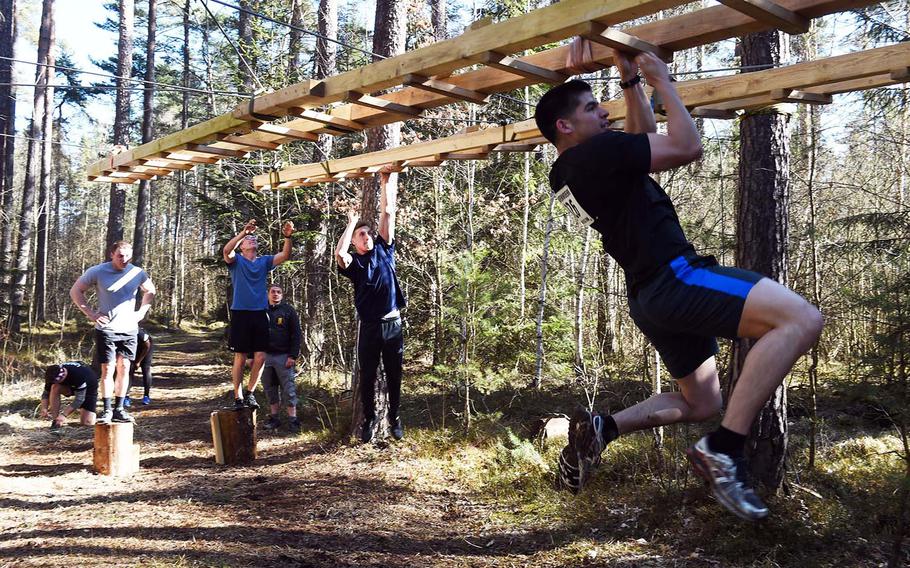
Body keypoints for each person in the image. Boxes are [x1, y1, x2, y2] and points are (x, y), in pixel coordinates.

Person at [533, 49, 823, 520]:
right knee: (801, 319)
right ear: (565, 127)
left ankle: (604, 428)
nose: (603, 112)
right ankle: (725, 449)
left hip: (648, 295)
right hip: (676, 276)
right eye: (591, 108)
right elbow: (685, 147)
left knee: (703, 401)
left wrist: (631, 85)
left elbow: (644, 139)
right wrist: (662, 82)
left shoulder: (574, 170)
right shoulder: (594, 155)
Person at [335, 171, 406, 443]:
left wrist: (386, 180)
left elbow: (387, 213)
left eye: (367, 233)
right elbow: (339, 255)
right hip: (370, 327)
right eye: (361, 235)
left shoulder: (385, 248)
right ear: (355, 241)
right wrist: (351, 223)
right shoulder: (355, 263)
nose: (366, 237)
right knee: (367, 377)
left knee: (394, 374)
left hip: (392, 324)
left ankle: (395, 416)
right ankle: (368, 419)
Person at [71, 241, 156, 424]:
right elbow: (76, 290)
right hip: (107, 329)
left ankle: (119, 408)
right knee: (108, 369)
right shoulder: (98, 271)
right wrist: (91, 314)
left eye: (127, 256)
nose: (124, 259)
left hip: (129, 329)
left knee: (125, 368)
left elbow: (150, 291)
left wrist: (141, 312)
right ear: (112, 254)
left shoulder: (137, 272)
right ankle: (107, 409)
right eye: (120, 255)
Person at [223, 218, 294, 410]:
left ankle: (250, 393)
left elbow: (285, 255)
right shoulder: (236, 261)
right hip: (240, 313)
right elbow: (226, 251)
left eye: (254, 239)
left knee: (261, 356)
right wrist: (242, 233)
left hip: (260, 313)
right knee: (240, 356)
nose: (252, 240)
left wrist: (288, 236)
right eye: (249, 240)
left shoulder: (264, 262)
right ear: (243, 247)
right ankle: (237, 397)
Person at [260, 284, 303, 433]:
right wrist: (252, 356)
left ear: (282, 295)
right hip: (264, 357)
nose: (275, 294)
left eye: (278, 292)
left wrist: (292, 355)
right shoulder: (261, 310)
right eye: (273, 292)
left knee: (289, 389)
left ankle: (293, 420)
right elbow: (252, 333)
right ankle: (274, 419)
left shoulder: (288, 311)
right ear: (268, 294)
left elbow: (296, 334)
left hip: (283, 357)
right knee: (269, 389)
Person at [40, 362, 98, 429]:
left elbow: (79, 399)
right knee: (55, 387)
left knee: (87, 423)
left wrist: (64, 415)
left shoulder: (79, 376)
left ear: (63, 376)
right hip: (70, 387)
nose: (55, 383)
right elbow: (46, 393)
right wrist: (44, 408)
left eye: (58, 382)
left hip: (88, 388)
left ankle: (61, 418)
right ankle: (56, 421)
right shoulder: (52, 376)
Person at [125, 328, 153, 406]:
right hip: (132, 349)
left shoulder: (139, 333)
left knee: (145, 369)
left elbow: (147, 345)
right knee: (129, 371)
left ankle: (146, 396)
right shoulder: (121, 333)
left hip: (146, 348)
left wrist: (138, 361)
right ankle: (126, 396)